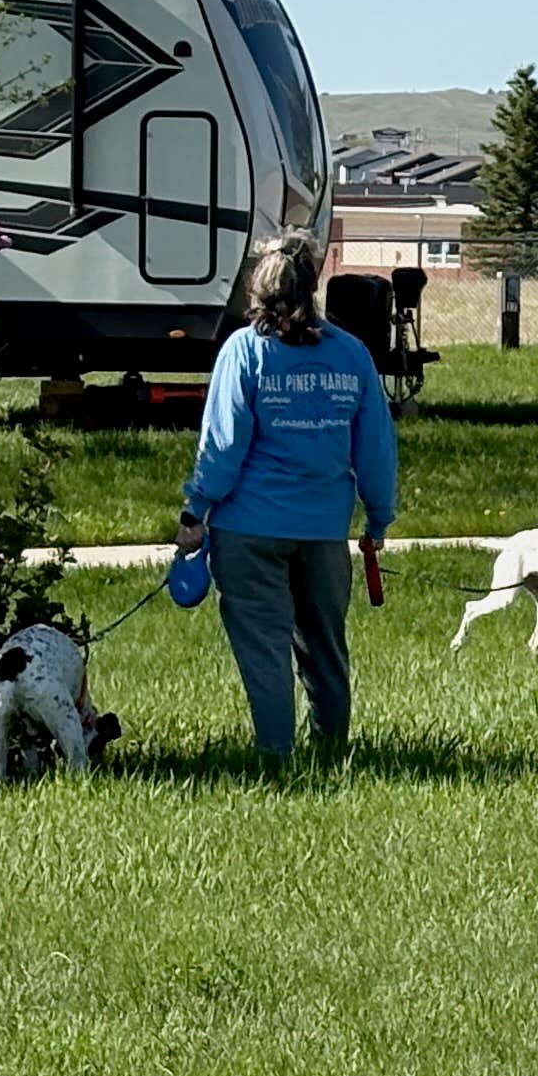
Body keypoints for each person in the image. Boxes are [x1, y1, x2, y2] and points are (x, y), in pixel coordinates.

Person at [177, 235, 399, 762]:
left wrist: (197, 510)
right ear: (313, 285)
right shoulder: (351, 354)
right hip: (324, 530)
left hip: (248, 529)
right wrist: (379, 516)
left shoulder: (245, 350)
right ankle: (330, 754)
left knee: (265, 651)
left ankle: (276, 756)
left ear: (256, 288)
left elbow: (224, 445)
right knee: (325, 648)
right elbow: (375, 447)